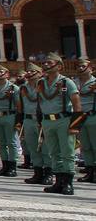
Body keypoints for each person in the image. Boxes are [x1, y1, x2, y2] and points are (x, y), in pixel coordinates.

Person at [37, 52, 81, 196]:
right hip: (48, 121)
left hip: (64, 120)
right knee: (54, 152)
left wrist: (75, 125)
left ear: (59, 66)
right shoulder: (41, 83)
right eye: (45, 63)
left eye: (50, 63)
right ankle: (58, 181)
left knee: (67, 152)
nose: (46, 65)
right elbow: (40, 103)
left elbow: (77, 104)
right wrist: (40, 122)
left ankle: (68, 183)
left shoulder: (66, 82)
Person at [0, 65, 20, 178]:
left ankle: (12, 167)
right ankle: (4, 165)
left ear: (7, 74)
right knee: (1, 143)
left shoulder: (13, 88)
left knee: (12, 142)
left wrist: (18, 121)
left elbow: (19, 105)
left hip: (9, 115)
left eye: (1, 71)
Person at [76, 58, 96, 183]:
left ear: (91, 68)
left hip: (93, 116)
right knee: (85, 147)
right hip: (80, 116)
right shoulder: (75, 83)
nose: (80, 68)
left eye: (83, 66)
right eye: (78, 66)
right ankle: (90, 172)